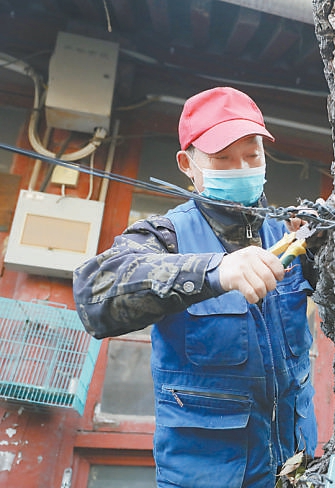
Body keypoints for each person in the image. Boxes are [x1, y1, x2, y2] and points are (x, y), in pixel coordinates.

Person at [73, 86, 318, 488]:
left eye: (252, 155)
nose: (240, 168)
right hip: (206, 477)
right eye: (222, 158)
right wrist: (215, 271)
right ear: (187, 164)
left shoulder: (290, 233)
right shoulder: (166, 235)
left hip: (296, 469)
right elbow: (93, 293)